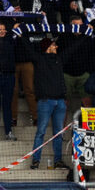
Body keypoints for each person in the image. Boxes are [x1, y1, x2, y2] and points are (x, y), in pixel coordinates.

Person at [30, 38, 69, 170]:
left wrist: (85, 35)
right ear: (47, 47)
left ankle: (58, 160)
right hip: (45, 102)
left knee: (58, 133)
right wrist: (19, 35)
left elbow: (73, 48)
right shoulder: (39, 59)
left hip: (60, 102)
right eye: (54, 45)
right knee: (41, 131)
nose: (56, 47)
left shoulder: (59, 59)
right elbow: (27, 48)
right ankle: (35, 160)